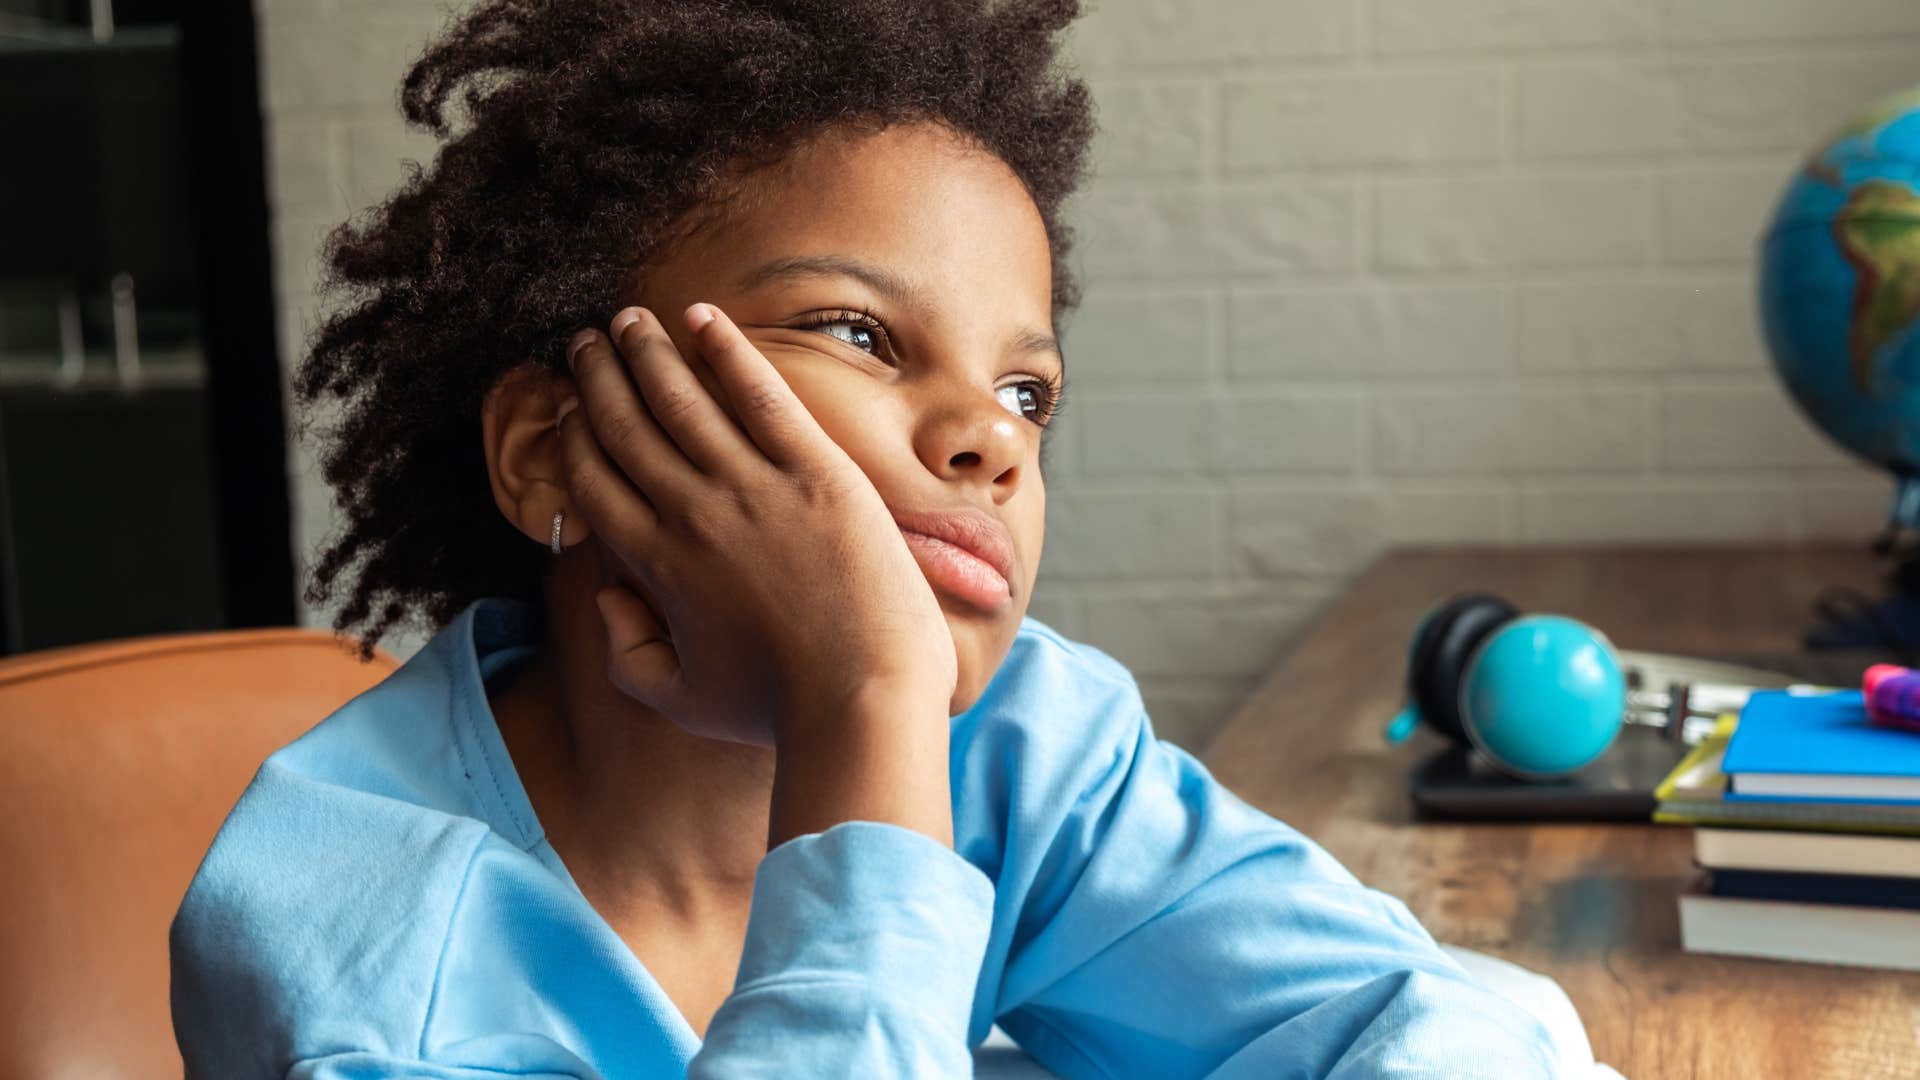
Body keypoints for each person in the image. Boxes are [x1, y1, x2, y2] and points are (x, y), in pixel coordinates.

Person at [169, 0, 1571, 1075]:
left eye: (1030, 391)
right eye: (857, 329)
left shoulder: (1019, 747)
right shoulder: (378, 969)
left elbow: (1435, 1021)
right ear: (555, 451)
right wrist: (864, 709)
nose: (996, 437)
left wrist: (883, 714)